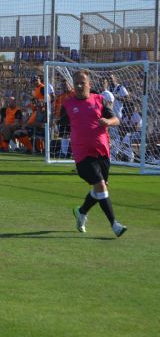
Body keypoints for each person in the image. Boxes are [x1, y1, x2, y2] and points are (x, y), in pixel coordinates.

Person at [59, 69, 127, 238]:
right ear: (73, 86)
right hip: (83, 156)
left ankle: (81, 212)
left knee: (99, 190)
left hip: (102, 153)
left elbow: (117, 120)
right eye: (77, 83)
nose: (80, 86)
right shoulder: (67, 105)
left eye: (83, 82)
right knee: (101, 186)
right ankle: (114, 225)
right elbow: (62, 126)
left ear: (89, 84)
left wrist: (108, 121)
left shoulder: (100, 100)